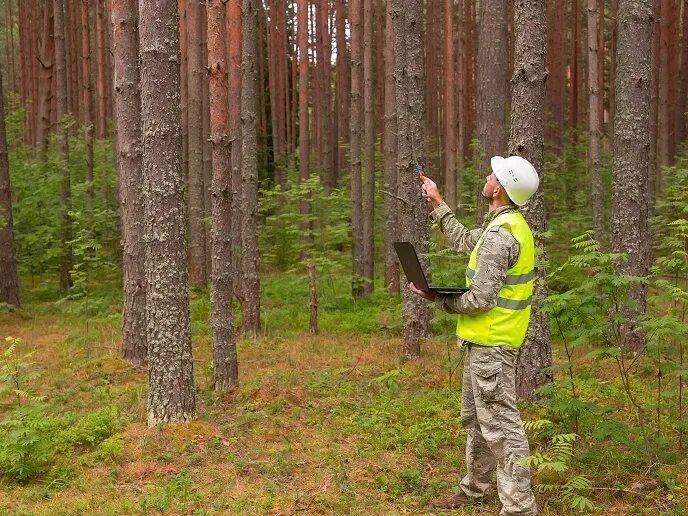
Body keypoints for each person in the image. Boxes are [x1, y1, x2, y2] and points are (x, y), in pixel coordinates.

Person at [409, 155, 540, 515]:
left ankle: (519, 509)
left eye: (493, 174)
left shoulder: (502, 235)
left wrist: (439, 298)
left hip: (493, 344)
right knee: (480, 422)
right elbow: (468, 240)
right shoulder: (502, 224)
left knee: (502, 426)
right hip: (484, 342)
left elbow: (481, 299)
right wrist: (437, 202)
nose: (487, 175)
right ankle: (476, 490)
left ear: (498, 188)